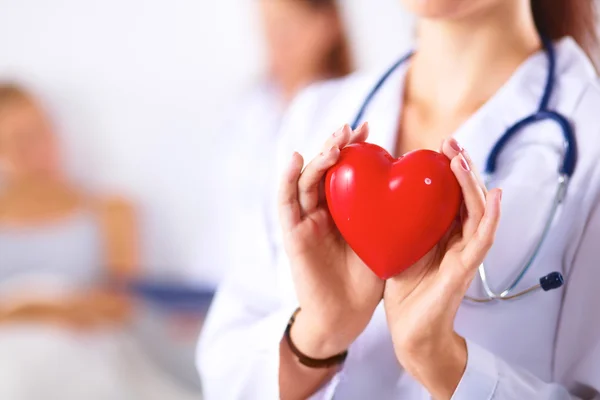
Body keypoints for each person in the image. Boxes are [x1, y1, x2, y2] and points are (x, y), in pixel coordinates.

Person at [198, 1, 600, 399]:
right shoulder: (313, 114)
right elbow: (224, 370)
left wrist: (442, 362)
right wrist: (318, 334)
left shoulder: (590, 136)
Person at [0, 84, 197, 400]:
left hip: (85, 347)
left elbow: (120, 303)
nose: (35, 150)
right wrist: (42, 311)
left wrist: (38, 313)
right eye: (18, 141)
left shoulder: (111, 209)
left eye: (41, 132)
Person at [195, 0, 352, 287]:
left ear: (327, 26)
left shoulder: (349, 113)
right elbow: (222, 215)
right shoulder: (248, 109)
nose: (274, 45)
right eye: (266, 30)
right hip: (217, 291)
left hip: (292, 295)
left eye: (286, 30)